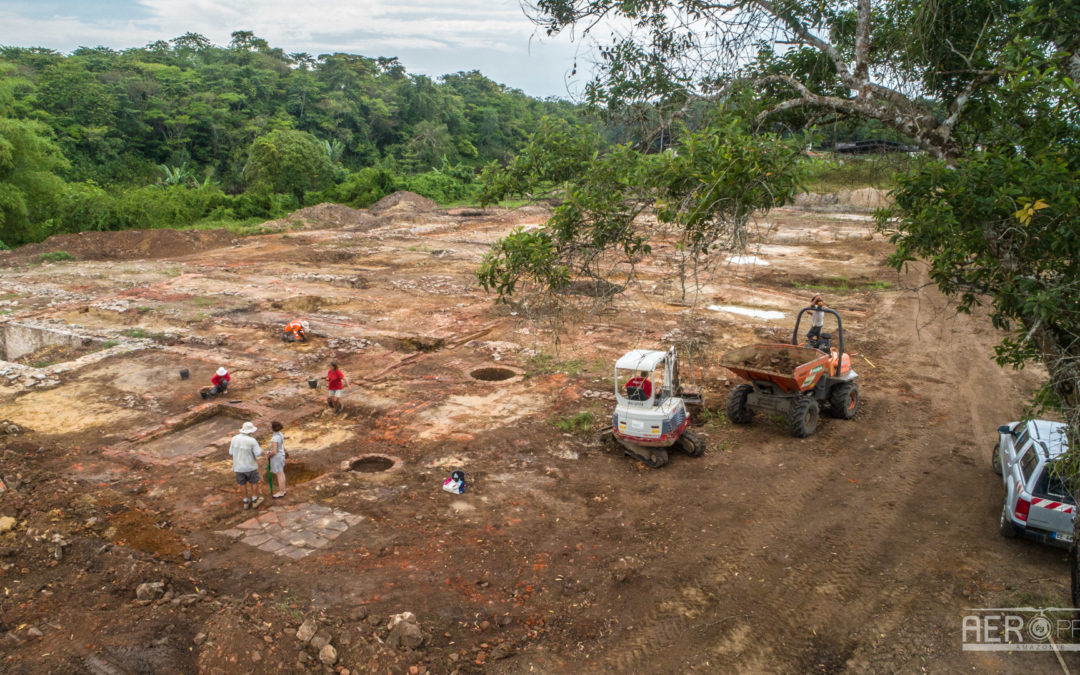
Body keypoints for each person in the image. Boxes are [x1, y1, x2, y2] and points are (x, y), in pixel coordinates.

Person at [229, 421, 263, 509]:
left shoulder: (234, 438)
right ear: (251, 431)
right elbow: (258, 453)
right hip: (250, 466)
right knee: (254, 482)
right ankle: (254, 499)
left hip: (238, 467)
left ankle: (245, 501)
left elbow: (230, 452)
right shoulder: (252, 441)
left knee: (242, 484)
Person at [268, 420, 287, 499]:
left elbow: (274, 452)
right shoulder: (280, 434)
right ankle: (283, 489)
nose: (269, 427)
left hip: (277, 458)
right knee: (281, 473)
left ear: (273, 428)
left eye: (270, 426)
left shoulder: (274, 439)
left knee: (279, 474)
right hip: (281, 455)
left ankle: (281, 492)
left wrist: (268, 453)